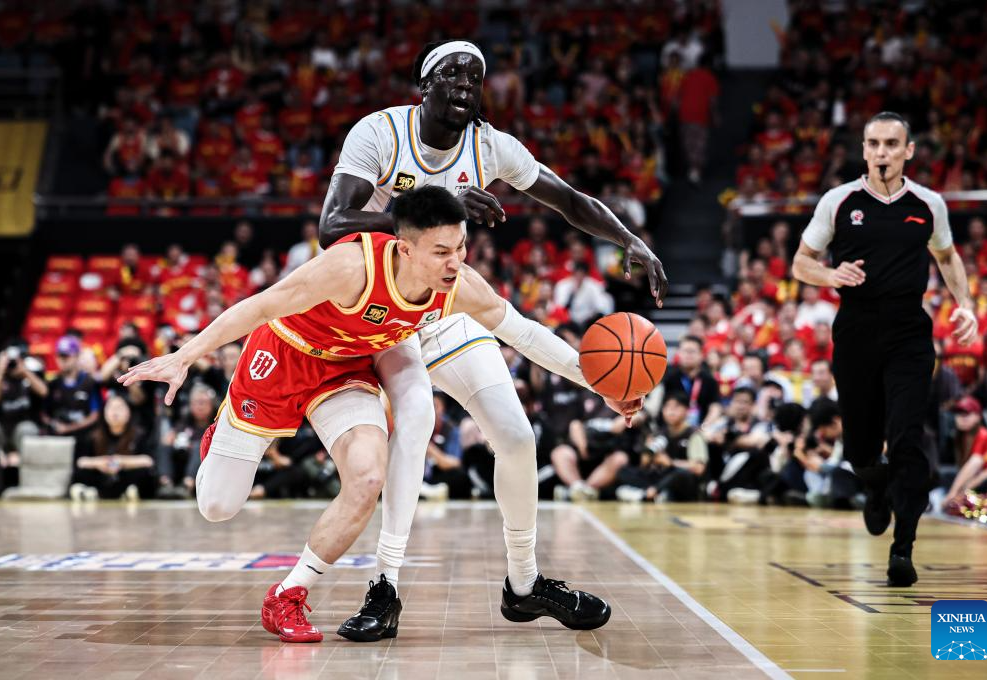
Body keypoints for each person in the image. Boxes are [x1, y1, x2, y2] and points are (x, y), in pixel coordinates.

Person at [121, 187, 637, 643]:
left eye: (460, 248)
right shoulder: (350, 267)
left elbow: (523, 332)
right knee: (217, 506)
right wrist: (184, 356)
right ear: (404, 248)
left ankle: (288, 594)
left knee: (368, 477)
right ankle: (224, 434)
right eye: (441, 252)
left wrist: (598, 382)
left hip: (345, 371)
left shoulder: (459, 285)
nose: (455, 262)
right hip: (282, 357)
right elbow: (260, 306)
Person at [318, 40, 666, 642]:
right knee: (416, 423)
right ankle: (385, 585)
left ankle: (524, 586)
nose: (465, 83)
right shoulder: (379, 133)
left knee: (517, 436)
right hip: (379, 311)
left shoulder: (490, 146)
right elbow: (332, 225)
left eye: (475, 77)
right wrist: (438, 209)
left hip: (442, 305)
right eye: (451, 73)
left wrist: (628, 238)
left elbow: (569, 200)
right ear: (424, 84)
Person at [792, 111, 977, 587]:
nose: (881, 152)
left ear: (908, 151)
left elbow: (947, 257)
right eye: (873, 143)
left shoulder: (929, 204)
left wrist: (965, 305)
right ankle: (874, 487)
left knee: (907, 439)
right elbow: (800, 262)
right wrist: (830, 275)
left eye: (891, 144)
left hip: (909, 333)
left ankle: (903, 549)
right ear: (864, 150)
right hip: (855, 331)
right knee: (860, 449)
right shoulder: (838, 201)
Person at [70, 394, 156, 501]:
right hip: (102, 475)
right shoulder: (93, 435)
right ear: (104, 413)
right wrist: (100, 462)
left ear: (128, 412)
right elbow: (81, 461)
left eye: (119, 408)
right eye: (111, 408)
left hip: (125, 475)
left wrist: (121, 461)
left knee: (144, 473)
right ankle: (90, 492)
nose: (115, 412)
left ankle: (130, 492)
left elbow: (148, 460)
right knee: (82, 472)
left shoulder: (139, 434)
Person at [942, 392, 987, 507]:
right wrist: (952, 493)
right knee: (947, 476)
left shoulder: (984, 433)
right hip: (984, 484)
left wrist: (964, 490)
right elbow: (974, 462)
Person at [41, 336, 101, 458]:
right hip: (57, 433)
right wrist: (54, 424)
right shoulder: (53, 383)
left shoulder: (89, 382)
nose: (62, 360)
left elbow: (94, 415)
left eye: (66, 356)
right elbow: (44, 414)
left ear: (77, 356)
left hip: (83, 435)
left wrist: (69, 428)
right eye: (59, 356)